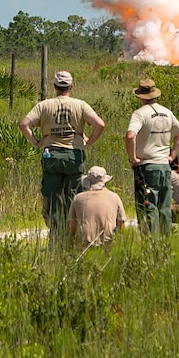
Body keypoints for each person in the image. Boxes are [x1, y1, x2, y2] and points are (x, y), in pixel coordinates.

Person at [19, 69, 106, 243]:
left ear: (55, 86)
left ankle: (56, 233)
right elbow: (99, 124)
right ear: (71, 86)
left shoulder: (44, 105)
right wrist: (88, 142)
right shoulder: (80, 105)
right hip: (74, 154)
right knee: (73, 195)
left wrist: (36, 142)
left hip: (51, 153)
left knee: (52, 196)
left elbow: (24, 124)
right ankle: (73, 234)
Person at [124, 78, 179, 235]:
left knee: (147, 208)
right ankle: (165, 244)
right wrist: (172, 156)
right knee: (164, 208)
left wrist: (133, 159)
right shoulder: (167, 112)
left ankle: (150, 245)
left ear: (140, 96)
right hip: (164, 166)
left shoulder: (140, 114)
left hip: (146, 167)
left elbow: (130, 136)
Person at [66, 165, 127, 251]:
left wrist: (70, 244)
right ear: (105, 182)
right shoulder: (114, 197)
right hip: (108, 244)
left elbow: (72, 226)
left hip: (85, 245)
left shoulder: (77, 198)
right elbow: (121, 224)